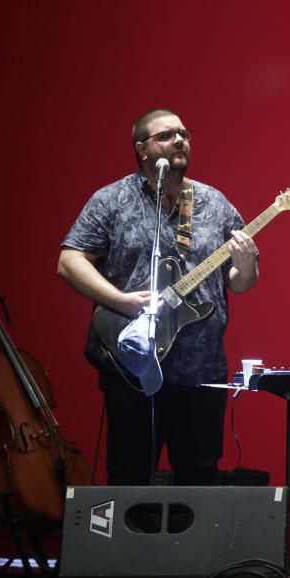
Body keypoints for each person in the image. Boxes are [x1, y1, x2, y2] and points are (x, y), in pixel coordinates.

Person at [58, 108, 259, 485]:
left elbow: (239, 281)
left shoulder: (214, 203)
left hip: (201, 372)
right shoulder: (112, 200)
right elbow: (70, 261)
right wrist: (121, 300)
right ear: (142, 149)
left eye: (184, 133)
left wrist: (246, 264)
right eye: (166, 135)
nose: (180, 140)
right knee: (130, 474)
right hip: (133, 367)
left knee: (199, 478)